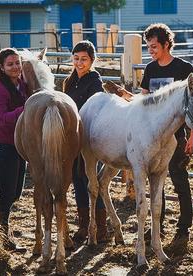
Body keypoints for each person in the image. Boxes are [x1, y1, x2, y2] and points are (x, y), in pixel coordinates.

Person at [140, 23, 193, 251]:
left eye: (153, 46)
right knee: (155, 182)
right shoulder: (151, 69)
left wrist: (191, 137)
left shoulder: (184, 68)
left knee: (179, 179)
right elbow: (143, 101)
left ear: (166, 44)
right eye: (148, 46)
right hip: (153, 138)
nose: (150, 50)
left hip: (177, 136)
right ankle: (157, 226)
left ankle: (183, 229)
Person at [63, 40, 110, 243]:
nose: (79, 63)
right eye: (76, 59)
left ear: (92, 61)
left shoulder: (95, 82)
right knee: (76, 178)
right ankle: (83, 224)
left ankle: (101, 227)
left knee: (89, 178)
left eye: (84, 59)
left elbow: (96, 110)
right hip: (72, 137)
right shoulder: (69, 81)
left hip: (88, 136)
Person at [0, 48, 28, 252]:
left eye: (17, 63)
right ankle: (1, 238)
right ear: (2, 68)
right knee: (6, 193)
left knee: (16, 193)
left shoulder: (21, 84)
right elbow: (1, 118)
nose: (15, 67)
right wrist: (26, 108)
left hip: (20, 143)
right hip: (4, 145)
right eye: (10, 64)